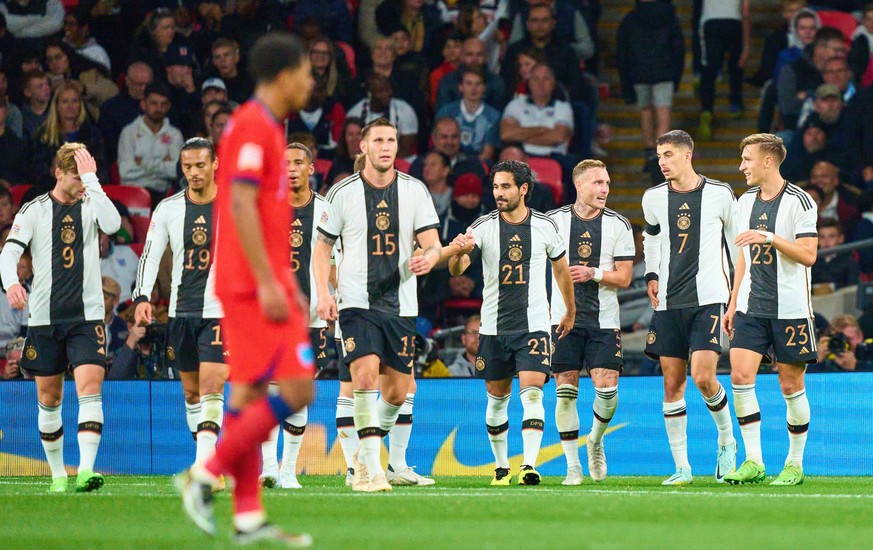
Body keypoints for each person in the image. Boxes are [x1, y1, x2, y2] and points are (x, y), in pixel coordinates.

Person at [175, 32, 315, 546]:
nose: (310, 81)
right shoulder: (254, 127)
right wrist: (267, 281)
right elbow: (238, 206)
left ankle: (248, 516)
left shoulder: (265, 128)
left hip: (263, 280)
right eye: (306, 72)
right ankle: (203, 473)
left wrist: (286, 281)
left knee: (252, 393)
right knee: (299, 390)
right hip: (252, 285)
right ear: (284, 75)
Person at [313, 117, 442, 492]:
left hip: (401, 304)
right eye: (379, 140)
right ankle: (370, 469)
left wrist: (430, 257)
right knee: (364, 378)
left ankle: (363, 457)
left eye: (392, 140)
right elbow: (321, 249)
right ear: (363, 147)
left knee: (399, 392)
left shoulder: (415, 191)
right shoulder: (342, 192)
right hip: (355, 301)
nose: (386, 146)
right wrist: (323, 293)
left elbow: (432, 242)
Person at [443, 159, 575, 486]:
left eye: (505, 187)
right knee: (497, 398)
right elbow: (456, 270)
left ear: (524, 189)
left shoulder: (544, 226)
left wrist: (569, 311)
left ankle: (529, 465)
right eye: (496, 187)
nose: (499, 193)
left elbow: (561, 271)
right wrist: (458, 253)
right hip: (492, 327)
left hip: (533, 325)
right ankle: (502, 467)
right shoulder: (483, 226)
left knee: (532, 393)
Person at [0, 143, 120, 492]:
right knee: (49, 398)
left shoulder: (91, 201)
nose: (80, 182)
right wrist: (10, 284)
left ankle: (85, 470)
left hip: (87, 317)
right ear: (58, 174)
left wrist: (92, 180)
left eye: (84, 174)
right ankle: (57, 475)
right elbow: (8, 254)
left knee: (90, 388)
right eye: (75, 176)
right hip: (44, 319)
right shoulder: (34, 210)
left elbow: (112, 224)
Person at [642, 130, 739, 485]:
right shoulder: (653, 198)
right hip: (668, 302)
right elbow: (650, 238)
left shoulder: (719, 193)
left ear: (687, 155)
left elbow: (736, 245)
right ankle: (682, 467)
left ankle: (727, 441)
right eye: (659, 157)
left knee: (703, 377)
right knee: (672, 384)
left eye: (668, 155)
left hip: (709, 298)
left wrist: (735, 295)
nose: (662, 162)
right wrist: (652, 273)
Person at [723, 133, 818, 486]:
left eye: (747, 159)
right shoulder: (743, 201)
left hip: (790, 309)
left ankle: (794, 464)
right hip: (750, 307)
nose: (741, 166)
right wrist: (733, 302)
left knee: (790, 383)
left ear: (767, 161)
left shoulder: (801, 201)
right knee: (740, 377)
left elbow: (809, 255)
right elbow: (742, 259)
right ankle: (754, 461)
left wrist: (770, 238)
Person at [132, 137, 229, 468]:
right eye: (187, 167)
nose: (194, 172)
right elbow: (150, 254)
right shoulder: (169, 208)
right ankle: (208, 457)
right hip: (181, 312)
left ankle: (205, 468)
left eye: (201, 165)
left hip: (221, 312)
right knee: (191, 394)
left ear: (215, 164)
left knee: (212, 385)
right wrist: (143, 296)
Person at [548, 160, 634, 485]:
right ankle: (572, 467)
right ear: (579, 186)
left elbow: (625, 278)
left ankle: (595, 440)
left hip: (604, 320)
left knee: (608, 391)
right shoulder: (553, 222)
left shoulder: (619, 225)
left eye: (608, 184)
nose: (605, 190)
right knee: (565, 393)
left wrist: (593, 273)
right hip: (562, 320)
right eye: (598, 183)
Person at [259, 143, 331, 490]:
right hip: (272, 316)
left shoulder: (327, 211)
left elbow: (337, 261)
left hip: (313, 319)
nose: (291, 168)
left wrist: (332, 300)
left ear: (311, 169)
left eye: (298, 162)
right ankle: (269, 467)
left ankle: (289, 470)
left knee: (298, 389)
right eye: (284, 162)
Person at [615, 0, 685, 174]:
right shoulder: (670, 17)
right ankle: (662, 156)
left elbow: (622, 50)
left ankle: (649, 155)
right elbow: (678, 48)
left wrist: (626, 79)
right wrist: (676, 76)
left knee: (645, 111)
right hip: (664, 71)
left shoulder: (630, 18)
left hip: (639, 72)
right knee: (663, 113)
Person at [117, 83, 185, 206]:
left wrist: (142, 163)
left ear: (168, 106)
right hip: (133, 195)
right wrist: (163, 164)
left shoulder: (175, 135)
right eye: (154, 103)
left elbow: (177, 171)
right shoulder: (129, 132)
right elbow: (125, 171)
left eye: (163, 104)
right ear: (144, 104)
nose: (159, 108)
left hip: (163, 196)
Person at [696, 0, 751, 140]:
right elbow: (745, 12)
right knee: (736, 65)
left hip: (711, 21)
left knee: (709, 70)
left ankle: (707, 109)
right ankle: (735, 103)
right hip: (734, 21)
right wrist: (746, 46)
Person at [436, 66, 501, 162]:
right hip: (448, 162)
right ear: (461, 87)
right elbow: (438, 145)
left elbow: (487, 154)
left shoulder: (493, 116)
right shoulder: (446, 111)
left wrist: (467, 166)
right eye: (469, 83)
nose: (473, 88)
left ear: (484, 87)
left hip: (478, 165)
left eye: (478, 84)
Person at [98, 62, 154, 165]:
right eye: (139, 84)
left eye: (147, 84)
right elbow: (109, 146)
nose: (144, 89)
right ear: (127, 81)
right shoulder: (111, 108)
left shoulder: (161, 106)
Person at [811, 219, 859, 292]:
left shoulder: (849, 261)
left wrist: (832, 287)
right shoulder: (810, 262)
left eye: (831, 236)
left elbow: (853, 288)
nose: (826, 241)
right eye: (822, 237)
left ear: (841, 238)